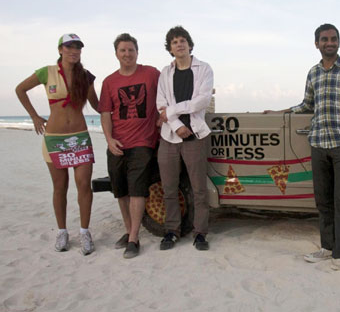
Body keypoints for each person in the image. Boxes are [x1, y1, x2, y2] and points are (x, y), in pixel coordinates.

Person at [265, 24, 340, 276]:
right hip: (319, 144)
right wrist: (281, 113)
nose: (329, 42)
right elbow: (306, 104)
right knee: (323, 201)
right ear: (317, 44)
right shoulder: (313, 73)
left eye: (333, 39)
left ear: (339, 42)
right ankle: (327, 247)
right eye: (324, 39)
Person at [15, 33, 99, 255]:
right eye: (69, 46)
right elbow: (20, 89)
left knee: (83, 185)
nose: (74, 50)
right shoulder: (47, 72)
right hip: (54, 139)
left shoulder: (86, 76)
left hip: (80, 137)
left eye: (78, 47)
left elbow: (98, 106)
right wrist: (34, 116)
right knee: (60, 187)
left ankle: (84, 232)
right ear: (60, 49)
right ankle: (62, 231)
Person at [98, 33, 160, 259]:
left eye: (131, 50)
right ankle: (128, 230)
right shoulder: (109, 82)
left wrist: (163, 117)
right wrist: (109, 139)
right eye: (123, 50)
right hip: (117, 143)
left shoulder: (151, 74)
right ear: (116, 53)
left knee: (137, 189)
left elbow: (167, 94)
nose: (127, 54)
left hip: (143, 141)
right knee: (120, 190)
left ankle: (133, 238)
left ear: (137, 52)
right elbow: (105, 113)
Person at [156, 26, 214, 251]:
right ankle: (171, 231)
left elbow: (201, 101)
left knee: (199, 189)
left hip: (196, 136)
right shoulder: (165, 73)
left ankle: (200, 233)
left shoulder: (204, 69)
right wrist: (177, 124)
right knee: (169, 188)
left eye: (182, 40)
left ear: (189, 44)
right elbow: (160, 104)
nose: (179, 44)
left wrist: (172, 111)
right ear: (170, 49)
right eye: (174, 42)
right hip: (169, 137)